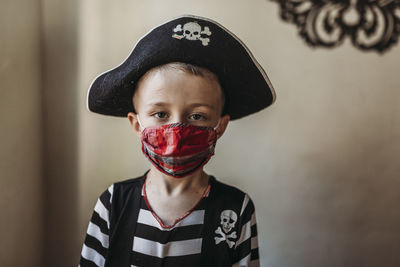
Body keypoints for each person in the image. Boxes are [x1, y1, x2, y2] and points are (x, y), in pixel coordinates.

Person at [80, 14, 276, 267]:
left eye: (197, 116)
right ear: (137, 124)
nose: (178, 131)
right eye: (160, 114)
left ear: (220, 126)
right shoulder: (114, 203)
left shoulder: (236, 209)